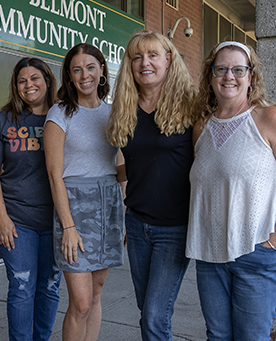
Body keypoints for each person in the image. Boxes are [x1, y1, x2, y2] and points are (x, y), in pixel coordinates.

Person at [187, 41, 276, 341]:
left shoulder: (269, 118)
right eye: (221, 69)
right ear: (210, 76)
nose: (229, 76)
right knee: (217, 336)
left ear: (250, 76)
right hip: (210, 254)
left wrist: (274, 240)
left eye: (238, 69)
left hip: (257, 251)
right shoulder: (202, 126)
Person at [105, 30, 198, 341]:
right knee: (147, 312)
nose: (144, 63)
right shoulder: (125, 109)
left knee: (156, 317)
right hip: (138, 223)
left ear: (168, 59)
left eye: (153, 55)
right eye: (137, 57)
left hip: (175, 227)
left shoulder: (191, 107)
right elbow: (129, 165)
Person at [0, 57, 61, 341]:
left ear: (47, 81)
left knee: (49, 285)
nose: (29, 85)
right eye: (22, 81)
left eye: (35, 78)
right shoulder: (6, 119)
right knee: (22, 285)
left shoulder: (61, 116)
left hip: (55, 220)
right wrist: (1, 218)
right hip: (17, 219)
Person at [44, 43, 124, 341]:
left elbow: (117, 164)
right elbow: (54, 175)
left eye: (90, 67)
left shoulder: (113, 112)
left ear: (102, 70)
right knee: (80, 301)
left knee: (96, 294)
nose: (84, 74)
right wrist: (68, 226)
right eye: (76, 69)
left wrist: (125, 206)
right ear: (69, 76)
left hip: (108, 204)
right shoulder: (60, 113)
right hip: (74, 207)